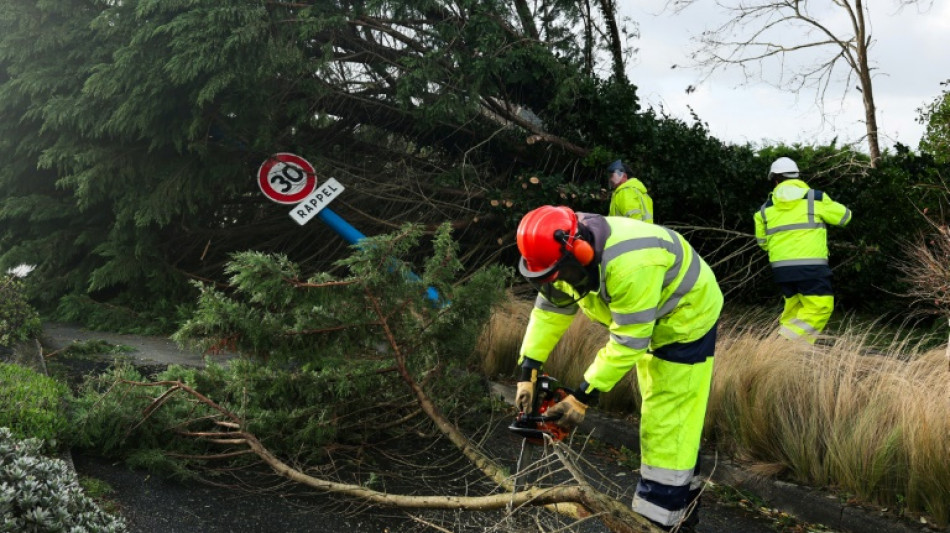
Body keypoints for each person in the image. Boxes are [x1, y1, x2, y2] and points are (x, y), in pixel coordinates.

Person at [514, 205, 723, 531]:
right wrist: (528, 370)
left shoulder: (630, 265)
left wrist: (582, 396)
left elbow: (629, 342)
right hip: (647, 320)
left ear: (581, 252)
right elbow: (550, 310)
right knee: (678, 423)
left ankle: (658, 523)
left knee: (667, 424)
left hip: (684, 319)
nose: (560, 282)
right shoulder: (559, 256)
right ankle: (685, 508)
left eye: (561, 274)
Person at [753, 157, 852, 344]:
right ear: (797, 176)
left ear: (775, 180)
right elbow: (845, 217)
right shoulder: (815, 198)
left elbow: (763, 243)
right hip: (812, 266)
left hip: (782, 270)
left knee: (794, 311)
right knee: (820, 307)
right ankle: (782, 343)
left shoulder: (764, 210)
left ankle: (783, 356)